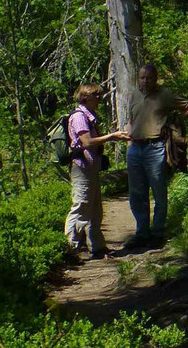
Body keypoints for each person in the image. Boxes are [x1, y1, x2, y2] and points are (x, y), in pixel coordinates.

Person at [126, 64, 188, 249]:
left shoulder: (165, 95)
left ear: (155, 78)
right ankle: (142, 232)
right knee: (136, 193)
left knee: (158, 191)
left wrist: (175, 123)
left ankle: (157, 233)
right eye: (142, 77)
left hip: (155, 146)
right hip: (135, 147)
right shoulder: (134, 94)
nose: (145, 81)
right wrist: (129, 136)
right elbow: (131, 119)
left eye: (149, 78)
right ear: (138, 78)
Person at [64, 83, 130, 259]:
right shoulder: (79, 117)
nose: (99, 100)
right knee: (81, 206)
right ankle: (71, 249)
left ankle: (97, 248)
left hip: (90, 168)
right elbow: (86, 142)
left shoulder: (89, 116)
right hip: (81, 168)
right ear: (86, 98)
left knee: (95, 209)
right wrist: (111, 136)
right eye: (96, 97)